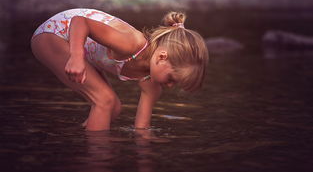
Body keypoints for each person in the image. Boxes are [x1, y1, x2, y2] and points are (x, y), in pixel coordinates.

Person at [30, 8, 209, 131]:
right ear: (162, 57)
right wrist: (76, 57)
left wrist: (145, 154)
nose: (170, 85)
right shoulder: (132, 43)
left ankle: (84, 141)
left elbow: (141, 129)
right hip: (55, 34)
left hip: (75, 46)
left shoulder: (152, 83)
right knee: (104, 100)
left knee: (113, 107)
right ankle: (97, 157)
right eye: (171, 79)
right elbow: (80, 21)